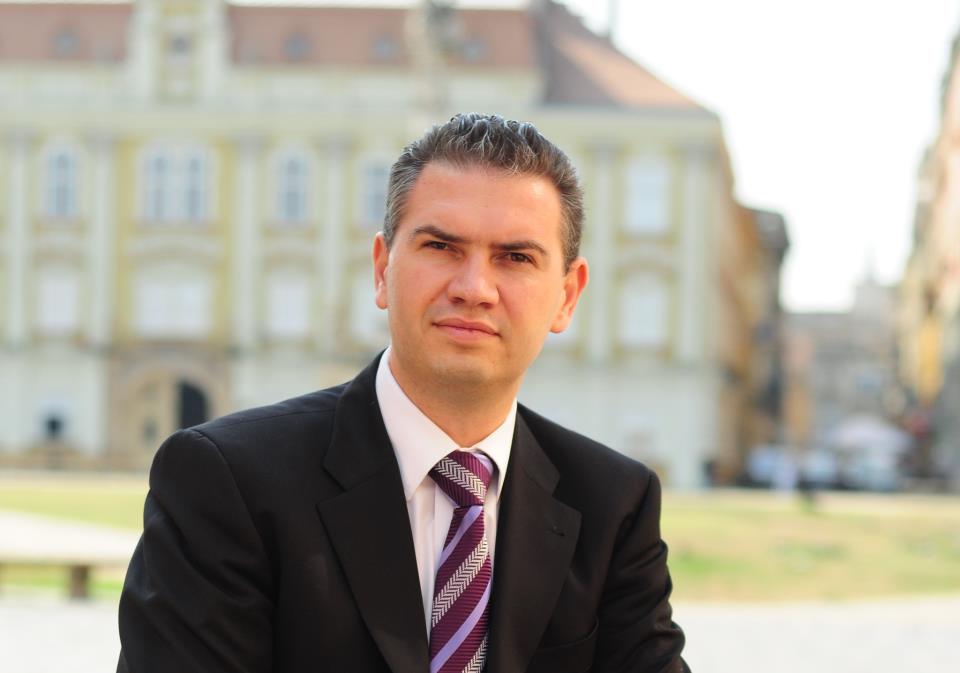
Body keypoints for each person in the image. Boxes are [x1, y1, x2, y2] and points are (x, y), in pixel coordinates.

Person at [117, 113, 689, 673]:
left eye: (515, 257)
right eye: (441, 246)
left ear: (567, 296)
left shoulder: (613, 503)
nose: (474, 288)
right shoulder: (228, 481)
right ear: (381, 269)